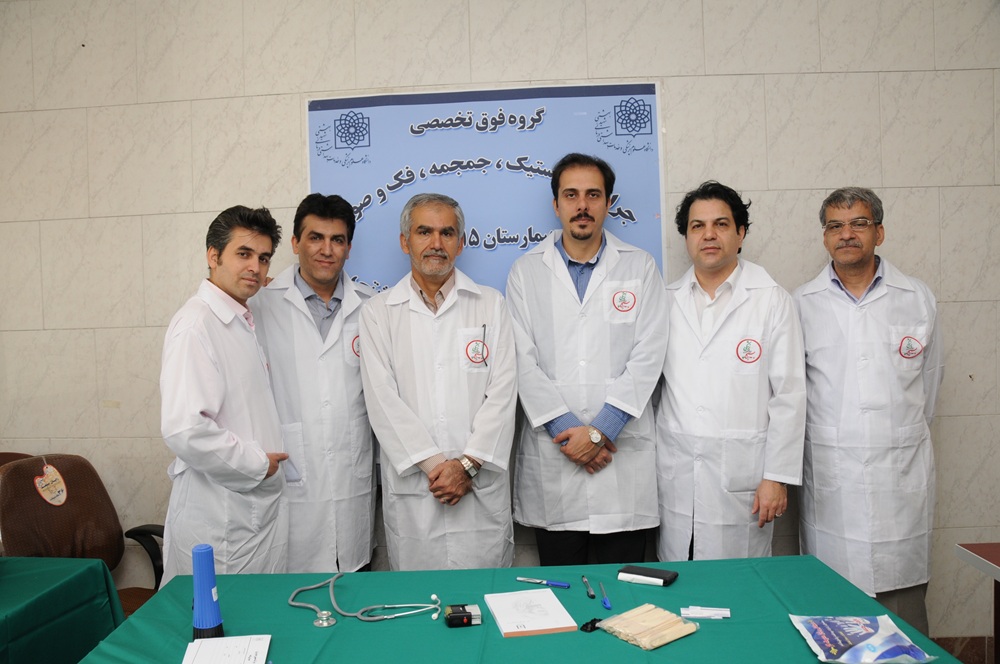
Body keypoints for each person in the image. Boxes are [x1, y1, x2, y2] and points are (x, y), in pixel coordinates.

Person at [507, 153, 668, 566]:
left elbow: (649, 353)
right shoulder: (525, 272)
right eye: (571, 195)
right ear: (556, 204)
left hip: (620, 460)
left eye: (593, 195)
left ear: (608, 203)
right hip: (556, 461)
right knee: (562, 592)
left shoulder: (640, 267)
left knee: (625, 591)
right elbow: (521, 360)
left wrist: (600, 432)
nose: (582, 205)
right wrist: (569, 433)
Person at [795, 187, 942, 634]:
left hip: (900, 481)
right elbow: (793, 394)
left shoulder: (916, 298)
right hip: (832, 482)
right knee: (833, 616)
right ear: (825, 237)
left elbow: (930, 387)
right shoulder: (801, 303)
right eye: (835, 226)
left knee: (905, 622)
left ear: (879, 232)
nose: (847, 234)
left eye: (859, 223)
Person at [359, 192, 517, 570]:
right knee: (419, 596)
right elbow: (382, 400)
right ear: (405, 242)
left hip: (478, 484)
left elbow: (503, 392)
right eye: (423, 232)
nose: (436, 243)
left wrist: (467, 466)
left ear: (460, 244)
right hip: (417, 489)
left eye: (447, 233)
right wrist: (437, 467)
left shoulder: (491, 304)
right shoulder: (378, 313)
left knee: (485, 592)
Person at [657, 181, 806, 562]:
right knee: (678, 580)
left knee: (738, 585)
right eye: (697, 226)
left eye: (721, 224)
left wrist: (776, 477)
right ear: (686, 238)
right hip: (677, 478)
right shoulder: (665, 301)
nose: (708, 235)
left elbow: (789, 396)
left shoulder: (771, 300)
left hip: (744, 481)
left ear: (740, 234)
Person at [160, 205, 288, 585]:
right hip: (221, 518)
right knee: (218, 616)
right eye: (243, 254)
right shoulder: (196, 325)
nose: (255, 267)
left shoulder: (240, 319)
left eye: (263, 258)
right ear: (213, 256)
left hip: (247, 514)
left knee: (252, 611)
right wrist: (258, 464)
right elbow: (185, 429)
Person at [251, 194, 376, 573]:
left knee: (353, 587)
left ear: (349, 248)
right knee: (292, 591)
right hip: (290, 478)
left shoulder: (372, 308)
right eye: (315, 238)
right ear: (295, 243)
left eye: (337, 240)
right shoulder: (260, 304)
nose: (327, 250)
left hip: (352, 480)